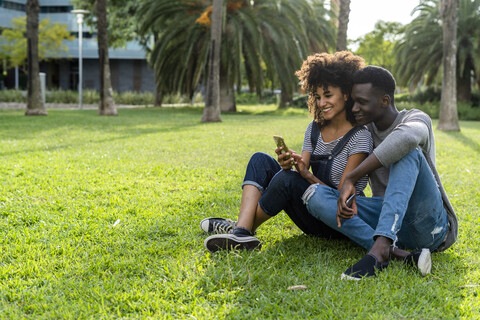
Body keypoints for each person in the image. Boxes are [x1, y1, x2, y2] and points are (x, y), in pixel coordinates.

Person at [201, 51, 373, 252]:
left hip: (337, 220)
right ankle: (241, 233)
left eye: (328, 95)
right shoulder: (314, 128)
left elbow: (342, 197)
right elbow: (301, 171)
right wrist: (290, 164)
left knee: (287, 180)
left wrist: (305, 175)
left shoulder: (360, 136)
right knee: (260, 160)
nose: (321, 103)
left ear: (345, 93)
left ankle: (240, 229)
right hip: (310, 211)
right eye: (317, 97)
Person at [303, 66, 458, 279]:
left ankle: (380, 247)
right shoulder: (364, 132)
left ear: (384, 101)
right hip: (391, 222)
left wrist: (352, 176)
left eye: (362, 102)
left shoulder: (416, 118)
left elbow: (406, 139)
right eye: (353, 101)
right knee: (315, 195)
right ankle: (396, 253)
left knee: (407, 152)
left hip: (427, 225)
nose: (354, 108)